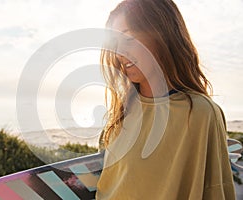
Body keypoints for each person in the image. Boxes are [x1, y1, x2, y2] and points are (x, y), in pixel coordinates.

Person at [96, 0, 236, 199]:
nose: (119, 53)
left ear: (162, 33)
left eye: (128, 38)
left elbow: (216, 189)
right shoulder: (122, 113)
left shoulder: (200, 113)